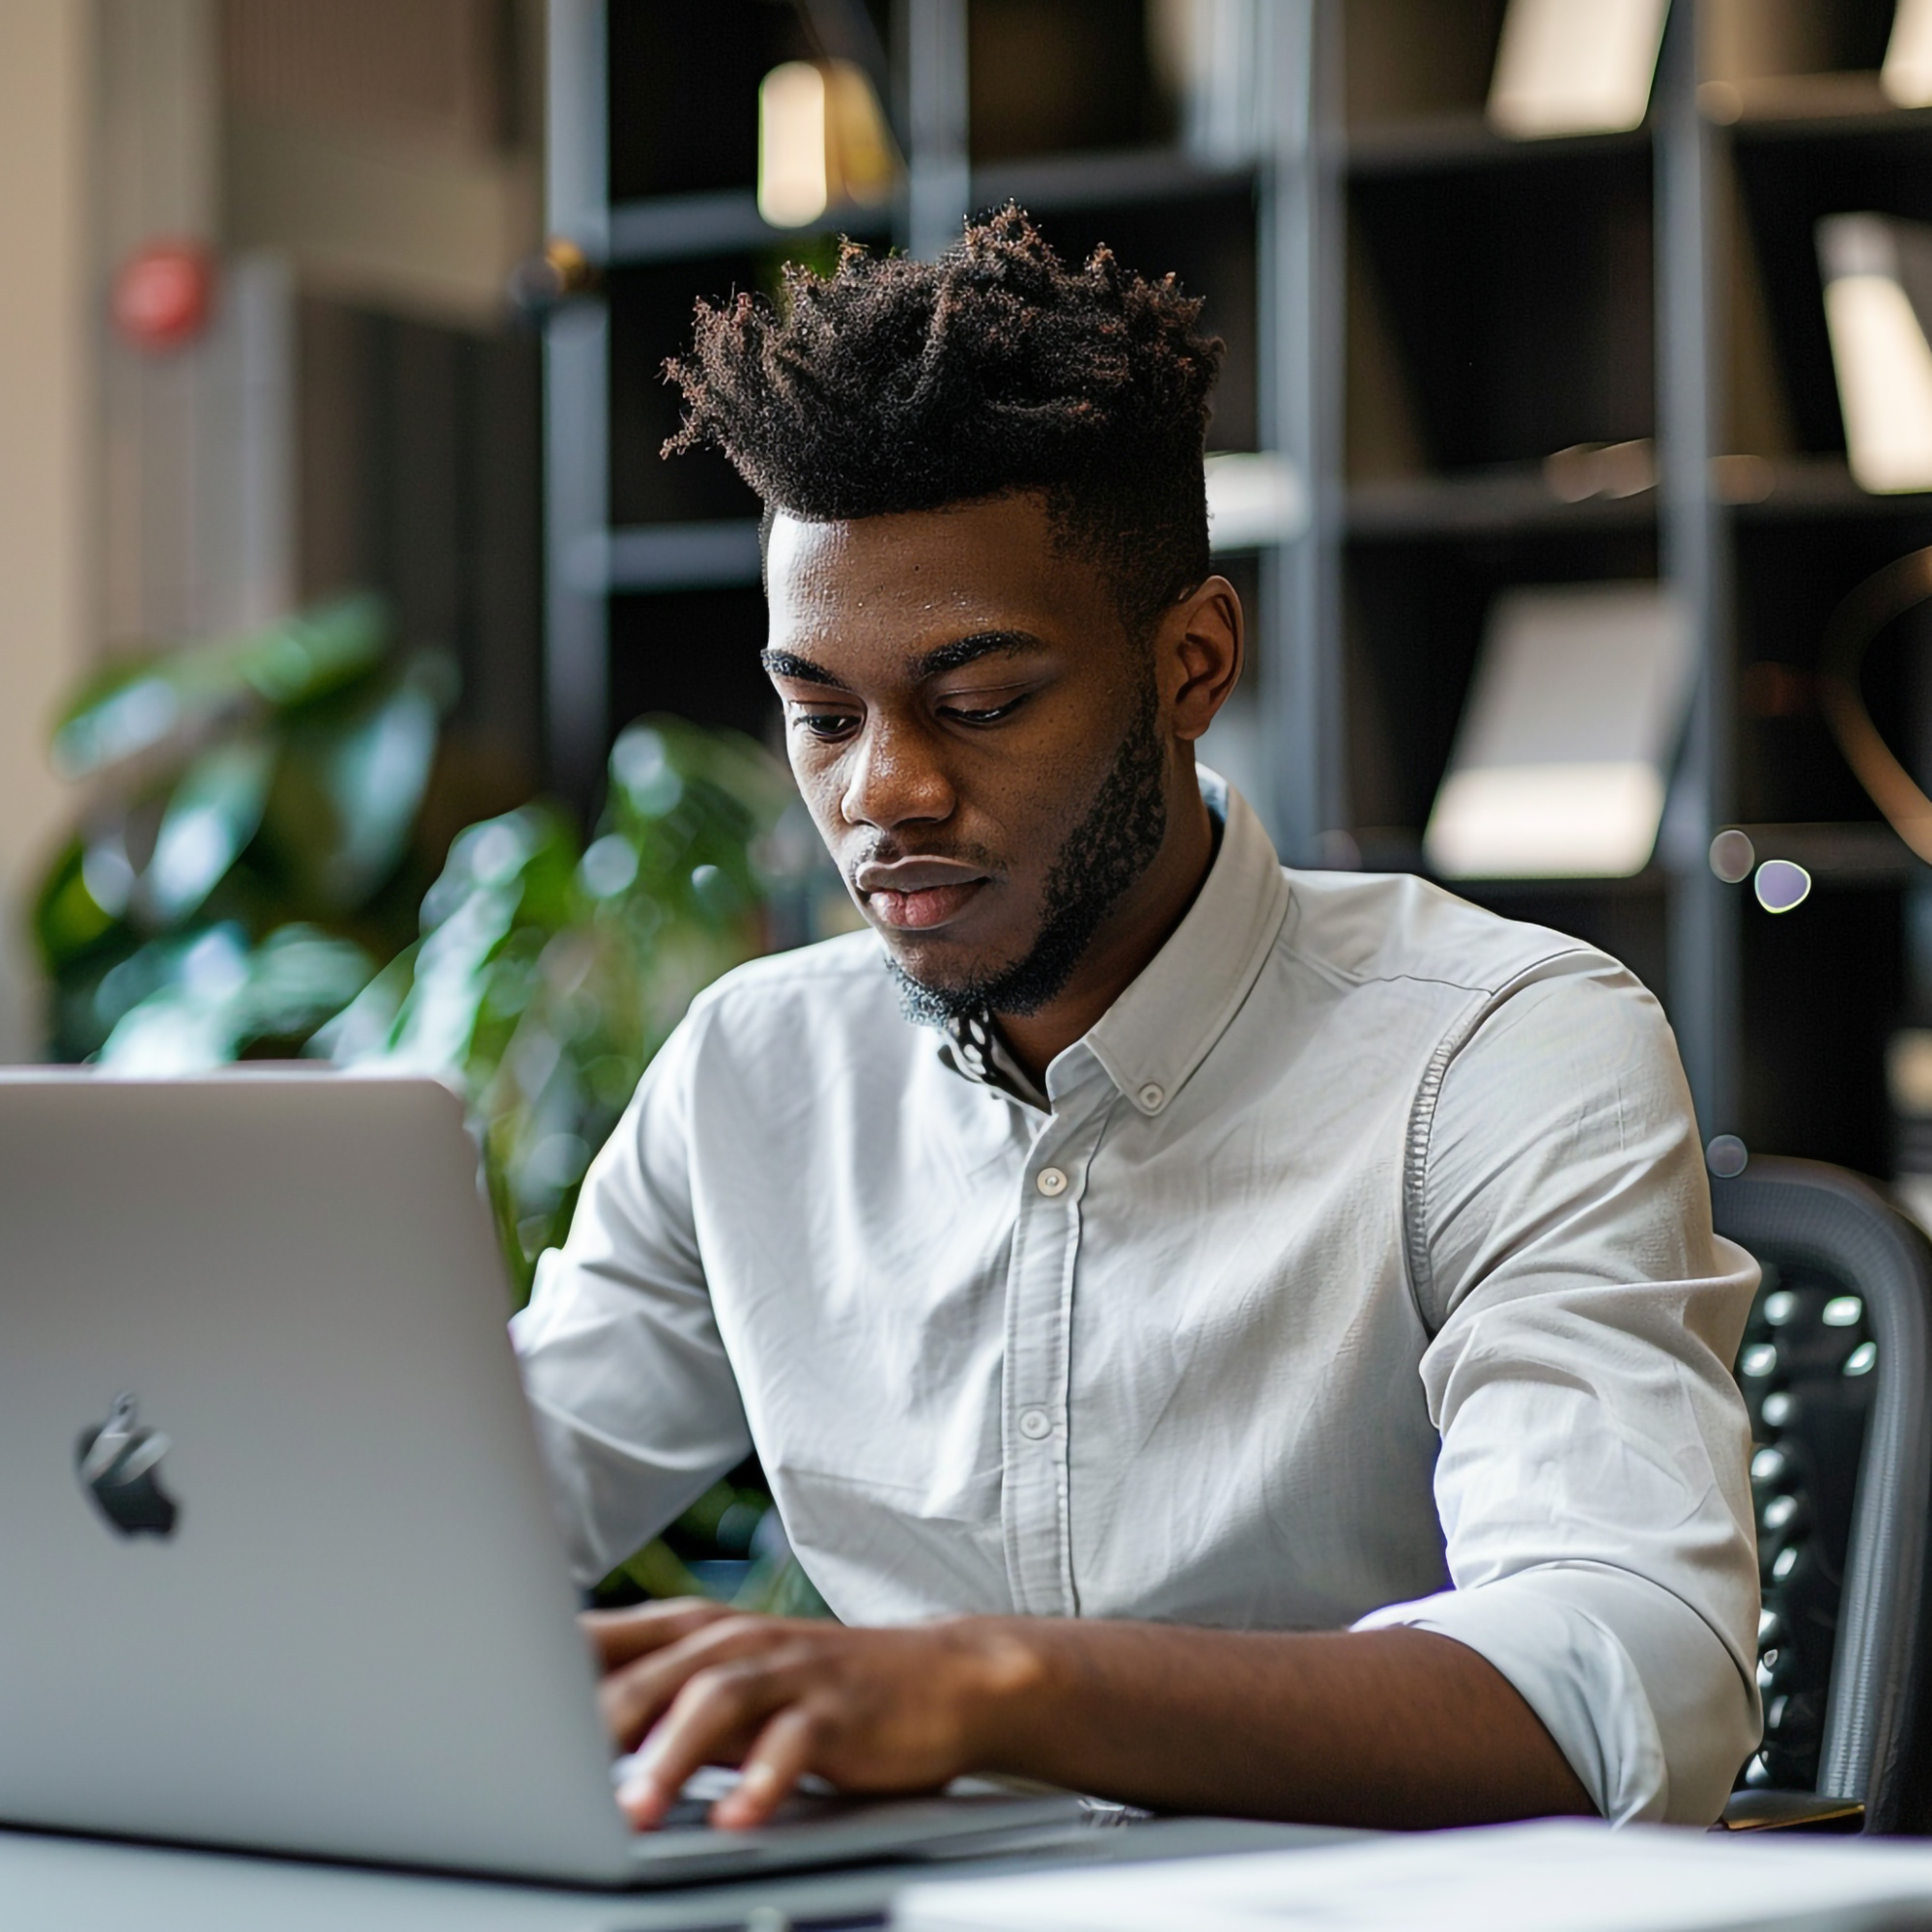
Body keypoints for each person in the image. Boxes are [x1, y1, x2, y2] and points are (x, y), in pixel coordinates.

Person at [510, 207, 1761, 1835]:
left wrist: (1002, 1691)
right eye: (821, 715)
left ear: (1193, 661)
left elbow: (1629, 1676)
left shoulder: (1504, 1051)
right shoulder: (756, 1074)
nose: (881, 791)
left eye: (979, 703)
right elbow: (460, 1527)